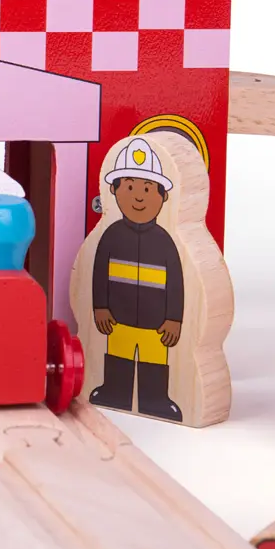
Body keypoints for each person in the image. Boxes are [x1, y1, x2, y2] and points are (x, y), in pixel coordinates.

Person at [89, 137, 184, 421]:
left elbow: (177, 283)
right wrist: (100, 307)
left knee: (155, 360)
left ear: (163, 196)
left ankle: (156, 399)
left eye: (147, 188)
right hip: (119, 318)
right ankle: (113, 391)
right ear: (115, 191)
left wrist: (174, 319)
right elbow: (98, 273)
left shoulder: (166, 242)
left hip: (156, 324)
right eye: (129, 187)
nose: (139, 197)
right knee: (118, 355)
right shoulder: (110, 236)